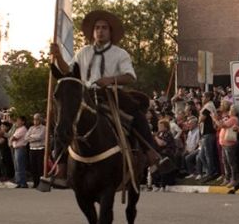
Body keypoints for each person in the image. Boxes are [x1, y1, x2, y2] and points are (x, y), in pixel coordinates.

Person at [49, 9, 172, 177]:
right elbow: (69, 71)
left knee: (136, 113)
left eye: (104, 28)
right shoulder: (83, 52)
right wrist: (58, 57)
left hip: (110, 95)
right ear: (92, 32)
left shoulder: (120, 54)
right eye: (97, 28)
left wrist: (110, 80)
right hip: (85, 96)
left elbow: (130, 77)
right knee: (63, 119)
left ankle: (153, 154)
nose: (100, 31)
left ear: (110, 32)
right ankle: (61, 165)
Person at [26, 114, 46, 188]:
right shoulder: (31, 128)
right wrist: (33, 136)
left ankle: (41, 183)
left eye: (37, 119)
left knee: (39, 167)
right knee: (33, 167)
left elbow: (40, 137)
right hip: (32, 149)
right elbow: (26, 137)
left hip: (40, 149)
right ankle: (35, 183)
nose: (35, 121)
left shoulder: (44, 128)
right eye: (34, 119)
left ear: (40, 120)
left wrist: (31, 136)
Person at [9, 115, 29, 189]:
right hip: (16, 148)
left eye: (19, 120)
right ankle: (19, 181)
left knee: (20, 166)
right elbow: (11, 136)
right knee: (17, 166)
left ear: (23, 122)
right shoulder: (17, 129)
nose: (17, 122)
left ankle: (23, 182)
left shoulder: (23, 129)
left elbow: (14, 137)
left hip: (21, 148)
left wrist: (11, 139)